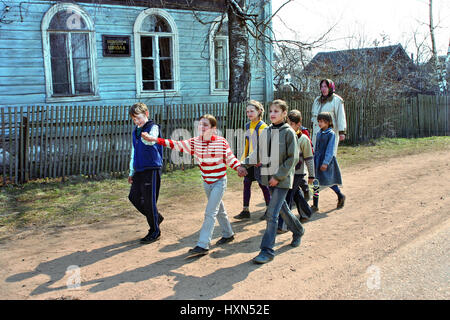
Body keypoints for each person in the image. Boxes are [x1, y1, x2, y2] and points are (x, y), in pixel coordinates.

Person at [142, 114, 244, 256]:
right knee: (218, 209)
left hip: (219, 182)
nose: (202, 127)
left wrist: (239, 167)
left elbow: (230, 158)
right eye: (200, 124)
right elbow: (175, 144)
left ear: (214, 129)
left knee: (210, 212)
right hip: (206, 182)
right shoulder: (195, 142)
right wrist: (154, 139)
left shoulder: (221, 142)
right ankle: (228, 234)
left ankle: (203, 245)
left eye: (206, 125)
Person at [240, 99, 305, 264]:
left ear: (284, 114)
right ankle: (298, 230)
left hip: (281, 180)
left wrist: (278, 176)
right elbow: (258, 154)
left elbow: (293, 158)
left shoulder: (288, 132)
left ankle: (267, 251)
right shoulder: (266, 132)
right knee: (282, 210)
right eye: (271, 111)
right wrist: (243, 164)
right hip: (267, 178)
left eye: (276, 111)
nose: (272, 114)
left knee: (272, 213)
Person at [128, 102, 165, 244]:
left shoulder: (152, 127)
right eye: (134, 119)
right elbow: (133, 151)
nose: (137, 121)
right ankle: (157, 217)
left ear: (146, 114)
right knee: (134, 197)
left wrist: (148, 138)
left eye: (139, 118)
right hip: (139, 169)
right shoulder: (135, 131)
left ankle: (155, 230)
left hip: (151, 168)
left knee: (150, 201)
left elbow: (152, 141)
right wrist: (132, 171)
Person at [278, 110, 315, 232]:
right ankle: (306, 213)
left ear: (298, 124)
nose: (288, 126)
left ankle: (283, 225)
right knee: (296, 194)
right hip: (286, 172)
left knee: (287, 196)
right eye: (287, 123)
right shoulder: (284, 137)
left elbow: (309, 158)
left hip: (298, 173)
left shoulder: (303, 139)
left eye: (291, 124)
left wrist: (311, 175)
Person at [234, 100, 271, 220]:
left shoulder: (264, 127)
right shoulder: (247, 125)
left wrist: (260, 160)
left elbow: (265, 146)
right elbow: (247, 144)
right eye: (247, 111)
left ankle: (269, 210)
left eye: (252, 111)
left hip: (260, 161)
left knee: (263, 185)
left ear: (259, 111)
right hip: (249, 160)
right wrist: (243, 160)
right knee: (246, 183)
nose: (249, 113)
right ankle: (245, 210)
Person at [312, 112, 345, 211]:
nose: (320, 123)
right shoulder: (319, 133)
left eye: (322, 121)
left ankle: (340, 195)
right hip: (317, 161)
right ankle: (315, 205)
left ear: (328, 122)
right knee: (316, 183)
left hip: (326, 161)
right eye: (318, 121)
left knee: (328, 181)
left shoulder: (331, 134)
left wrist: (325, 162)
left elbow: (330, 149)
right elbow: (316, 147)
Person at [311, 79, 347, 157]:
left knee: (329, 156)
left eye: (326, 86)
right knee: (316, 155)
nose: (323, 89)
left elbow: (341, 117)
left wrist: (342, 132)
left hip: (330, 133)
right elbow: (313, 117)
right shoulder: (317, 100)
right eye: (322, 87)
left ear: (330, 87)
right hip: (317, 133)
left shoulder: (337, 100)